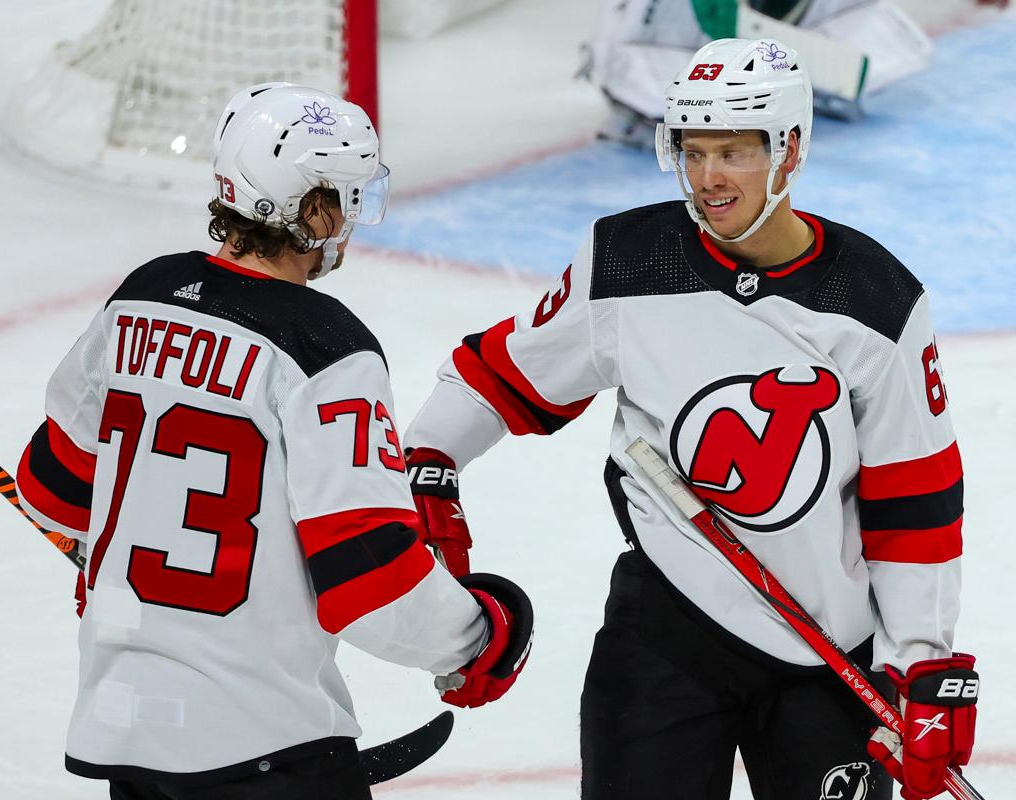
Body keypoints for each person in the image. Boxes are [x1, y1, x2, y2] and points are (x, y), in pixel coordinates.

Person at [405, 39, 977, 800]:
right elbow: (501, 377)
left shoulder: (875, 301)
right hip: (666, 633)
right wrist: (430, 462)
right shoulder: (630, 261)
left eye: (734, 152)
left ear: (790, 149)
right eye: (693, 150)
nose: (708, 178)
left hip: (829, 649)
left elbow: (916, 499)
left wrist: (922, 662)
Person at [14, 83, 532, 800]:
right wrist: (483, 634)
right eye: (345, 198)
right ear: (312, 208)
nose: (350, 219)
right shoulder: (325, 349)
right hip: (263, 745)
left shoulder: (140, 297)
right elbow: (368, 581)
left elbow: (52, 491)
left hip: (127, 732)